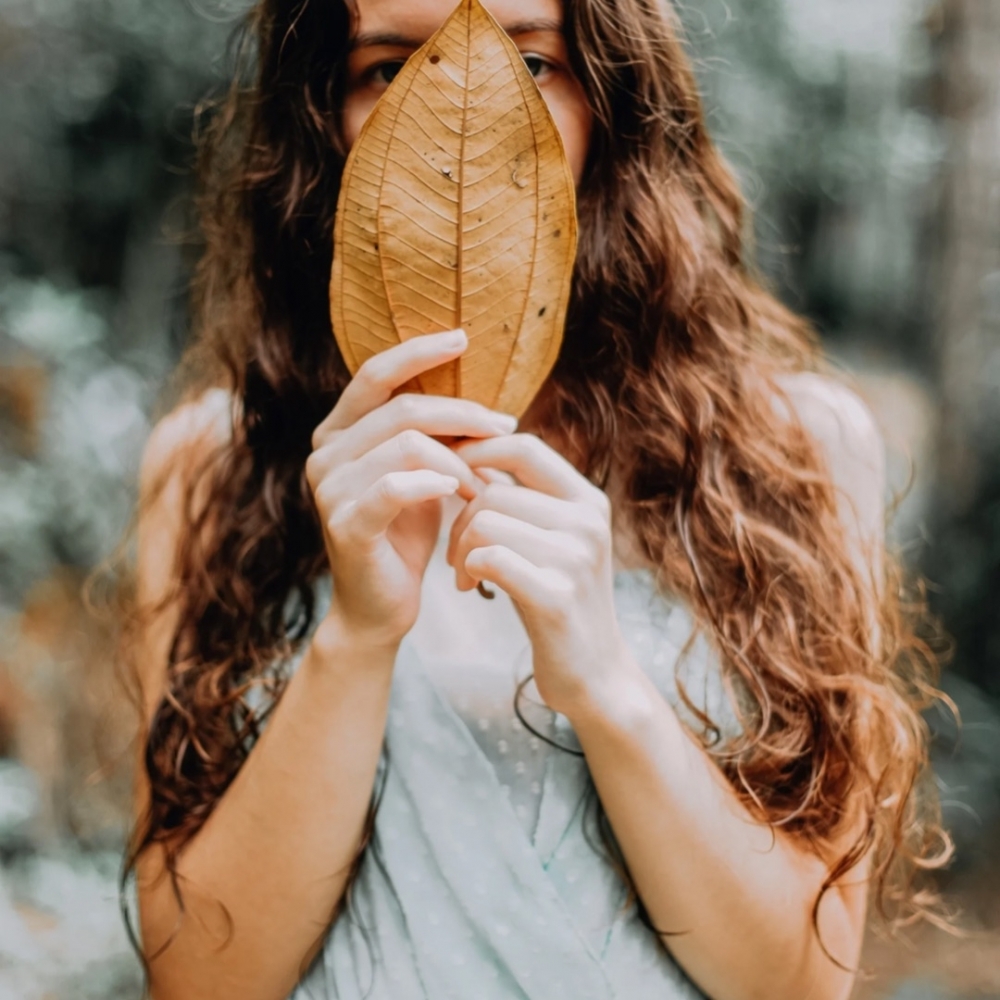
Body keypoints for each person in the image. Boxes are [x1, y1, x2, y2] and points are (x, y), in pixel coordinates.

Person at [122, 1, 951, 998]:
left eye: (529, 61)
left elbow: (801, 981)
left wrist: (602, 677)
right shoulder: (215, 464)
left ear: (615, 97)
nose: (462, 120)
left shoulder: (795, 451)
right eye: (390, 69)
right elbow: (199, 979)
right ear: (321, 118)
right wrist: (354, 638)